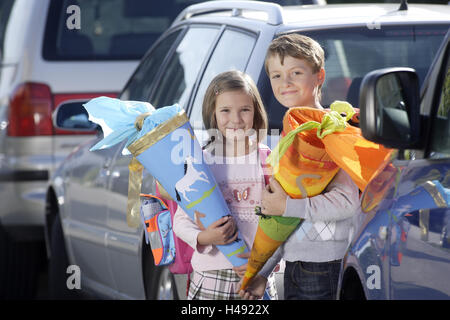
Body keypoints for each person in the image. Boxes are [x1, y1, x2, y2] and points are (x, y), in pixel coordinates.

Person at [239, 34, 360, 300]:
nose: (286, 83)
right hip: (295, 265)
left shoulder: (330, 132)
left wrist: (287, 207)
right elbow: (284, 220)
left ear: (320, 76)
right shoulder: (292, 135)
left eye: (296, 72)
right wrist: (264, 273)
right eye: (277, 75)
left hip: (324, 264)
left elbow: (346, 202)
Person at [173, 70, 276, 300]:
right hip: (211, 277)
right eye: (226, 111)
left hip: (256, 280)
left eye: (245, 110)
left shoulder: (267, 160)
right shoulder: (202, 162)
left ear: (256, 112)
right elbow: (180, 221)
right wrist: (207, 237)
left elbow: (280, 222)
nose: (236, 119)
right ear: (213, 112)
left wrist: (263, 268)